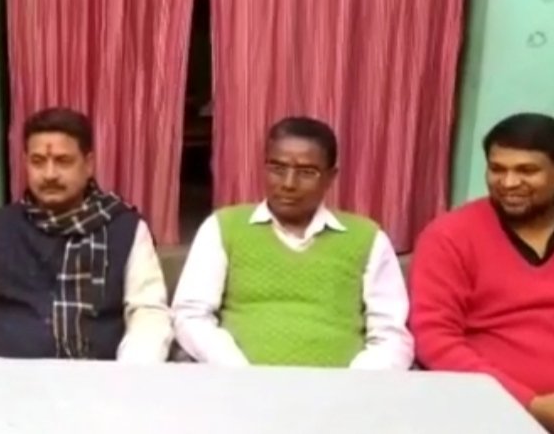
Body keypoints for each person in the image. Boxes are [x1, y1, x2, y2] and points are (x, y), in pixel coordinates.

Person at [0, 107, 172, 362]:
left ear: (88, 165)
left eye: (63, 161)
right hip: (9, 378)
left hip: (98, 378)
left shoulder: (124, 228)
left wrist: (130, 376)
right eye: (38, 161)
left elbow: (148, 313)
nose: (50, 174)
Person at [410, 113, 554, 434]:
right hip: (493, 414)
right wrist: (530, 404)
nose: (509, 183)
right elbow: (435, 340)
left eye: (527, 171)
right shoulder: (449, 236)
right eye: (497, 169)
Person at [172, 116, 413, 369]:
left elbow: (391, 335)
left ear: (331, 177)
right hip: (238, 381)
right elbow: (191, 315)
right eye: (277, 168)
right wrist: (239, 372)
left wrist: (352, 384)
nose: (288, 184)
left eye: (307, 172)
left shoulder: (367, 238)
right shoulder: (224, 227)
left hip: (344, 387)